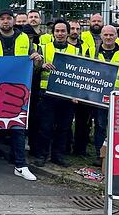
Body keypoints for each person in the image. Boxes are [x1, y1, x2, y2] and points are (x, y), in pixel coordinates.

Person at [0, 9, 41, 181]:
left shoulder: (24, 39)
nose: (5, 22)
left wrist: (36, 59)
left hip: (18, 89)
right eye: (2, 19)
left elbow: (33, 64)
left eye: (8, 19)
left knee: (18, 128)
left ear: (13, 21)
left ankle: (20, 165)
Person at [34, 19, 87, 168]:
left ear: (68, 32)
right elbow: (34, 69)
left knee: (64, 128)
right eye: (57, 31)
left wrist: (77, 94)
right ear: (53, 33)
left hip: (67, 96)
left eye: (63, 31)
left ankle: (58, 156)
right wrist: (42, 65)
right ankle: (42, 156)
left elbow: (81, 74)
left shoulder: (77, 50)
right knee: (45, 127)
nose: (60, 33)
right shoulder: (43, 48)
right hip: (47, 94)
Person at [89, 25, 119, 167]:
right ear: (101, 36)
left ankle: (117, 155)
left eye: (111, 35)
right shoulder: (93, 52)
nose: (108, 37)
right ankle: (99, 155)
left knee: (118, 127)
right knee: (100, 126)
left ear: (116, 36)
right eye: (105, 35)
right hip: (99, 98)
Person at [73, 15, 103, 157]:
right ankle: (78, 148)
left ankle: (89, 149)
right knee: (81, 120)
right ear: (89, 23)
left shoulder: (107, 37)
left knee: (95, 121)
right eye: (94, 21)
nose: (96, 23)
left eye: (99, 21)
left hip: (99, 85)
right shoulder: (83, 37)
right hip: (85, 84)